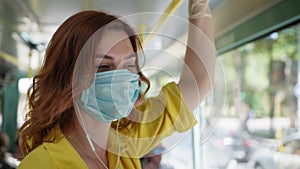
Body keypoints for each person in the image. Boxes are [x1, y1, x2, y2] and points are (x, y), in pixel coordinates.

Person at [17, 0, 215, 168]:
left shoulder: (125, 141)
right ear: (67, 76)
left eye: (129, 65)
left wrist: (199, 4)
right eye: (103, 66)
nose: (120, 79)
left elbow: (199, 83)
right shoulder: (40, 164)